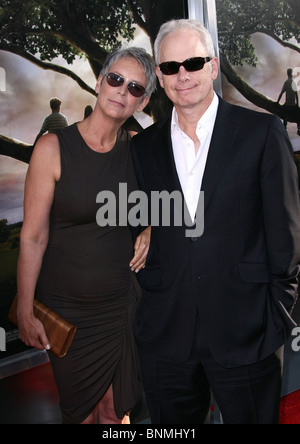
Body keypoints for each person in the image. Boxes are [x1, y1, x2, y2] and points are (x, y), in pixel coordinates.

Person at [131, 19, 300, 425]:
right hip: (166, 337)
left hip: (247, 332)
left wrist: (279, 314)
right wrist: (152, 225)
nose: (182, 75)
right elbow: (141, 215)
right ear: (160, 76)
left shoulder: (261, 132)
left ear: (213, 65)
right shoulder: (144, 148)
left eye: (193, 62)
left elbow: (286, 233)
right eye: (170, 67)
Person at [17, 47, 156, 424]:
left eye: (134, 88)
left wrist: (149, 228)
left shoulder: (139, 150)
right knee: (81, 414)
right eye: (115, 79)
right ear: (99, 81)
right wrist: (25, 310)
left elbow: (168, 204)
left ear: (141, 101)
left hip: (120, 307)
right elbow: (32, 238)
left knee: (115, 412)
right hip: (67, 312)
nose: (121, 91)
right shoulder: (52, 148)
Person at [277, 68, 300, 136]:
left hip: (287, 105)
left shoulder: (286, 83)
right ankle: (299, 128)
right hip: (293, 105)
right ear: (292, 74)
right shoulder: (294, 82)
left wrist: (277, 102)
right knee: (299, 114)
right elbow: (296, 95)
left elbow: (281, 93)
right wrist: (297, 104)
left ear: (287, 74)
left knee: (284, 113)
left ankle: (284, 127)